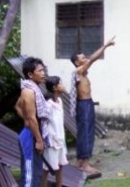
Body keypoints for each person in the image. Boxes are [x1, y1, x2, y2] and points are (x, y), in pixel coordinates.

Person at [70, 36, 116, 176]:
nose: (86, 59)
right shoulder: (79, 71)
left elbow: (91, 59)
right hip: (84, 105)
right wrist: (106, 45)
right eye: (83, 58)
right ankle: (85, 164)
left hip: (86, 104)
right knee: (87, 134)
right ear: (78, 62)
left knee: (85, 132)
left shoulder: (82, 73)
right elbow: (94, 58)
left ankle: (80, 161)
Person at [15, 57, 49, 187]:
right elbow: (31, 118)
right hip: (30, 136)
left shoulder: (33, 89)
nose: (43, 73)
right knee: (30, 176)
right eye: (40, 71)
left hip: (34, 134)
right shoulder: (28, 91)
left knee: (36, 173)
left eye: (43, 70)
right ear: (30, 74)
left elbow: (18, 106)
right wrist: (39, 140)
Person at [41, 76, 68, 187]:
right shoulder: (48, 105)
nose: (63, 85)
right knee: (47, 168)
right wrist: (45, 139)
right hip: (52, 141)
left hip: (60, 139)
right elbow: (44, 123)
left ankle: (59, 185)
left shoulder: (60, 101)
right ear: (55, 87)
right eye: (60, 83)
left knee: (60, 165)